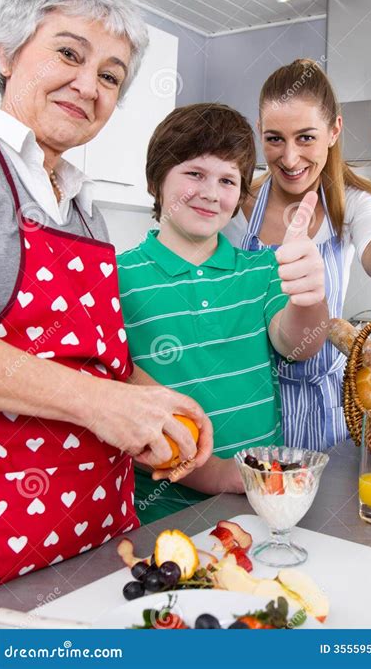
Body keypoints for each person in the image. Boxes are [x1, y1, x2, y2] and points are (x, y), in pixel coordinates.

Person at [0, 0, 212, 585]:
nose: (88, 85)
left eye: (111, 76)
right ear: (7, 54)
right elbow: (94, 392)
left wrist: (154, 401)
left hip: (102, 540)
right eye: (69, 53)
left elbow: (92, 359)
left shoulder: (85, 203)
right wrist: (105, 405)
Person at [117, 103, 329, 522]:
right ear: (157, 178)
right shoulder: (116, 277)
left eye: (228, 180)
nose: (211, 193)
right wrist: (215, 474)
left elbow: (298, 344)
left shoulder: (262, 268)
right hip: (157, 513)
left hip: (260, 502)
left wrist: (309, 297)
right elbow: (120, 401)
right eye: (194, 174)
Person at [225, 59, 371, 451]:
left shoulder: (354, 205)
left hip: (326, 414)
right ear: (259, 133)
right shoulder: (237, 207)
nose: (290, 158)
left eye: (306, 138)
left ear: (334, 131)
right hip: (250, 410)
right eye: (275, 138)